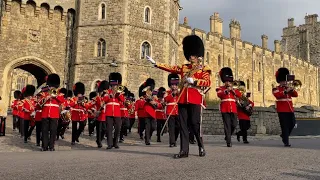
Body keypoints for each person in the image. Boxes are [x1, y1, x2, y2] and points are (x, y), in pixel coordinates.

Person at [146, 35, 211, 158]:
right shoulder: (184, 67)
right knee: (183, 125)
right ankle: (184, 151)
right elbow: (171, 68)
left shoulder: (203, 69)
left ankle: (201, 146)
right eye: (190, 54)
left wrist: (195, 81)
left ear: (197, 56)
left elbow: (208, 82)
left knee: (195, 124)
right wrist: (156, 63)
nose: (191, 56)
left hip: (194, 98)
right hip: (182, 98)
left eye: (193, 54)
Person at [38, 73, 65, 151]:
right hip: (45, 114)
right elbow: (39, 103)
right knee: (44, 130)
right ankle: (44, 146)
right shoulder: (44, 93)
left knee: (53, 130)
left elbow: (62, 100)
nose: (51, 87)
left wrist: (55, 95)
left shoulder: (59, 94)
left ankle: (51, 146)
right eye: (50, 85)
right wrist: (47, 97)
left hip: (54, 114)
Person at [272, 67, 298, 147]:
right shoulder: (276, 88)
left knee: (292, 124)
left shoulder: (288, 88)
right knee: (285, 126)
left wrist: (292, 90)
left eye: (285, 80)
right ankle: (286, 141)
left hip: (290, 109)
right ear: (280, 81)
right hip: (282, 110)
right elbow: (278, 96)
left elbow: (295, 95)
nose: (285, 82)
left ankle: (284, 136)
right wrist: (285, 91)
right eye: (283, 80)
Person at [216, 67, 241, 147]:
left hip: (233, 108)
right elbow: (219, 94)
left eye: (229, 81)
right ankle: (229, 141)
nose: (228, 83)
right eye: (226, 81)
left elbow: (239, 95)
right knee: (227, 125)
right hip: (224, 108)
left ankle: (228, 135)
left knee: (234, 124)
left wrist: (232, 90)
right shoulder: (220, 88)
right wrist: (226, 90)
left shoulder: (234, 89)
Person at [104, 72, 125, 149]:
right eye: (113, 86)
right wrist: (109, 96)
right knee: (109, 129)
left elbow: (123, 100)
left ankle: (115, 143)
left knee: (118, 128)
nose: (114, 87)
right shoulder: (107, 92)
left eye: (115, 85)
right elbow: (105, 100)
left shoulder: (120, 92)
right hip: (109, 113)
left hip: (117, 113)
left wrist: (119, 95)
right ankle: (109, 144)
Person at [138, 78, 159, 145]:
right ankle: (147, 140)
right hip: (147, 111)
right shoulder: (145, 92)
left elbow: (157, 100)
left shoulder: (155, 92)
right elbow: (141, 93)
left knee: (153, 127)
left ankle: (148, 136)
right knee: (147, 126)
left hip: (153, 111)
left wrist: (154, 102)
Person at [164, 73, 180, 147]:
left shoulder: (180, 92)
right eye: (173, 85)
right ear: (170, 85)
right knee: (171, 128)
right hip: (170, 112)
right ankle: (172, 142)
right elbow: (166, 99)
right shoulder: (167, 92)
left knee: (178, 127)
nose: (174, 86)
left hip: (178, 111)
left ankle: (174, 139)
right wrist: (172, 94)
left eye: (175, 85)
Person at [94, 80, 109, 148]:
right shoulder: (98, 98)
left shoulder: (106, 97)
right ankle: (99, 141)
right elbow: (98, 105)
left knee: (104, 130)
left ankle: (100, 139)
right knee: (99, 130)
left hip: (105, 116)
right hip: (99, 116)